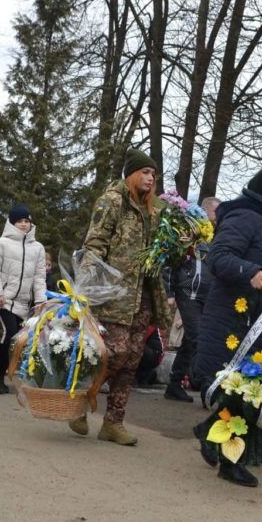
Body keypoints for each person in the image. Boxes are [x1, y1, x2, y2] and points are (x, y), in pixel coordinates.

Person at [193, 167, 262, 487]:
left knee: (249, 389)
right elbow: (219, 256)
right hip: (233, 318)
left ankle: (210, 435)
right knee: (240, 390)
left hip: (260, 319)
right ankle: (229, 460)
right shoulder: (244, 216)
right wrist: (248, 270)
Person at [69, 149, 170, 445]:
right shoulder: (112, 202)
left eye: (154, 174)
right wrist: (86, 283)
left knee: (132, 360)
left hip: (144, 297)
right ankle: (79, 405)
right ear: (132, 174)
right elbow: (96, 243)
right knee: (111, 353)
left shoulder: (156, 211)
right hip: (114, 294)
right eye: (145, 173)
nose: (150, 178)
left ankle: (114, 422)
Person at [0, 203, 47, 395]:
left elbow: (39, 277)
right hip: (4, 300)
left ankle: (12, 375)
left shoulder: (37, 248)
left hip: (23, 303)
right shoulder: (1, 243)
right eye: (19, 221)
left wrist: (40, 301)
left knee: (19, 340)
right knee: (9, 333)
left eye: (26, 221)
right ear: (12, 223)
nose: (23, 224)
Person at [162, 196, 218, 402]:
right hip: (187, 294)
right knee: (198, 338)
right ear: (205, 211)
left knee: (190, 340)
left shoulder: (213, 238)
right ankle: (206, 386)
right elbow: (168, 262)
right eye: (215, 212)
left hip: (206, 296)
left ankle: (175, 384)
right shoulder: (187, 233)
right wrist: (169, 293)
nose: (217, 217)